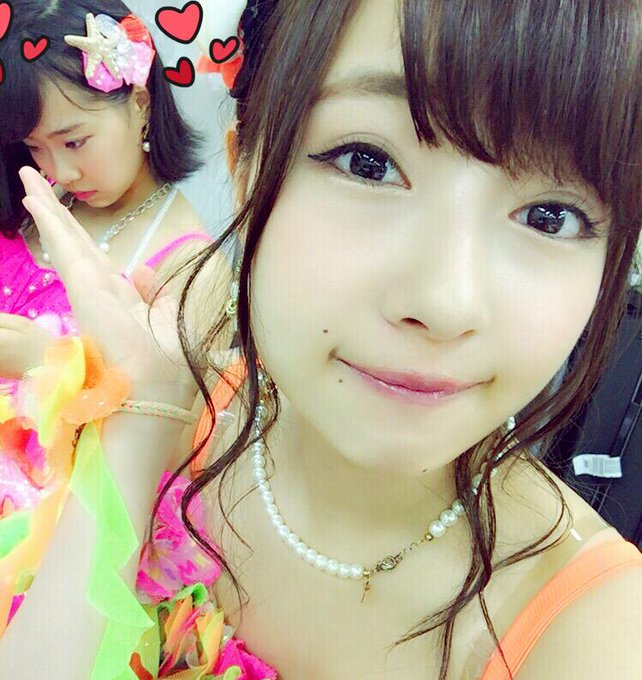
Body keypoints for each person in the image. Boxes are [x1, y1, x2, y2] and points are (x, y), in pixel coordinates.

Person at [1, 0, 642, 678]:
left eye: (551, 216)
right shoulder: (183, 412)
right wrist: (140, 420)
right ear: (245, 169)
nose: (444, 305)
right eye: (368, 163)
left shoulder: (594, 639)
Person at [0, 0, 221, 629]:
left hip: (54, 564)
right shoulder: (30, 206)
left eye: (75, 140)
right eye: (36, 148)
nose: (59, 170)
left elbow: (170, 443)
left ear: (140, 102)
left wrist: (48, 365)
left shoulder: (187, 264)